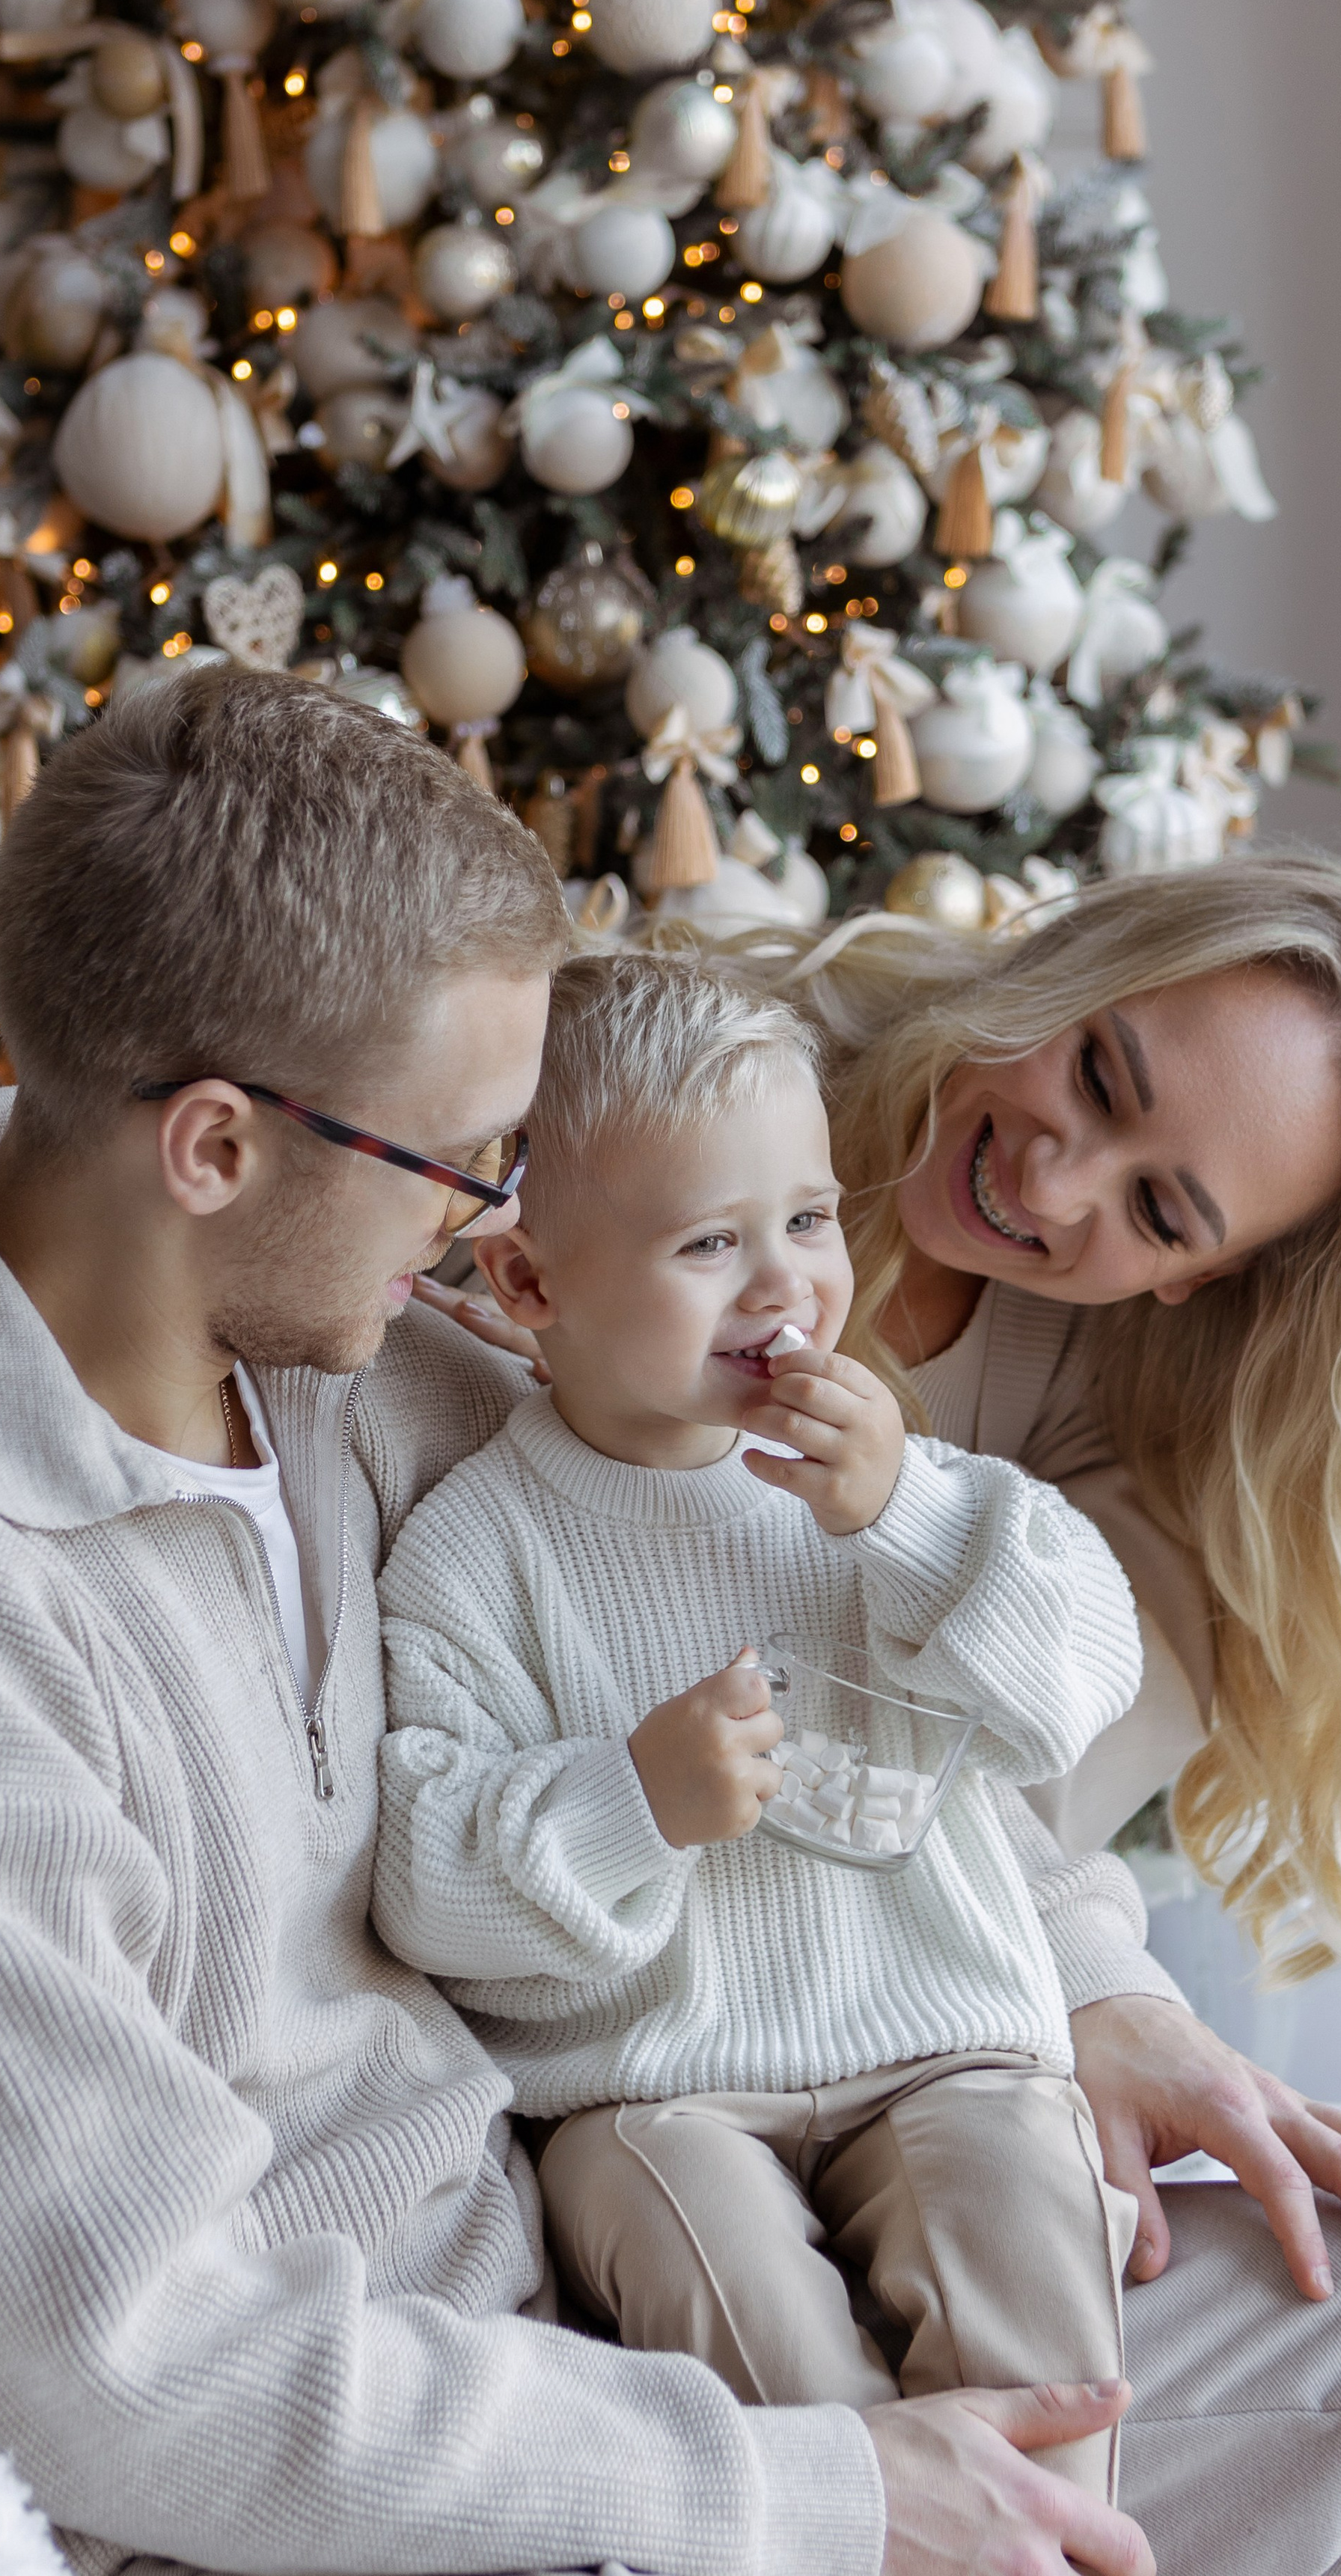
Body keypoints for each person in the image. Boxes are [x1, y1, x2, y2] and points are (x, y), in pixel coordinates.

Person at [0, 674, 1148, 2576]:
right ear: (218, 1149)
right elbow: (140, 2376)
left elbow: (763, 1601)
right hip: (445, 2464)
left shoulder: (348, 1342)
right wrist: (816, 2492)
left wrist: (1094, 1991)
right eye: (460, 1157)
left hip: (642, 2265)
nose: (499, 1225)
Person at [423, 855, 1341, 2574]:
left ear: (1202, 1280)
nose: (1052, 1176)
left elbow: (1003, 1783)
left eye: (1162, 1211)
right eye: (1099, 1073)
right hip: (633, 2069)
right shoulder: (684, 1104)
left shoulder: (1118, 1458)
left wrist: (1095, 1991)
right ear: (1072, 959)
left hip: (901, 2021)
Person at [376, 953, 1146, 2492]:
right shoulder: (478, 1548)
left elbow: (1075, 1687)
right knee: (711, 2278)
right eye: (709, 1243)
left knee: (1022, 2252)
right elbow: (423, 1880)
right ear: (529, 1286)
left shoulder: (888, 1490)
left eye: (804, 1220)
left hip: (939, 2049)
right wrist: (628, 1800)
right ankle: (854, 2518)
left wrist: (909, 1522)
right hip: (648, 2090)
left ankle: (1040, 2538)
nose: (786, 1284)